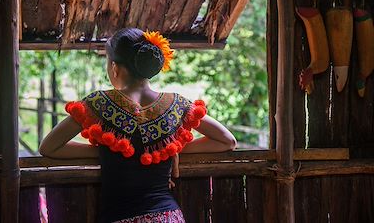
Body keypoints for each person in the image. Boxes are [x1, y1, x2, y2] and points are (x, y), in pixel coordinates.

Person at [39, 28, 237, 223]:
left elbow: (49, 147)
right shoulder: (176, 105)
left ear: (115, 67)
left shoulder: (99, 103)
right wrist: (169, 150)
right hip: (168, 217)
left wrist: (106, 152)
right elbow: (227, 141)